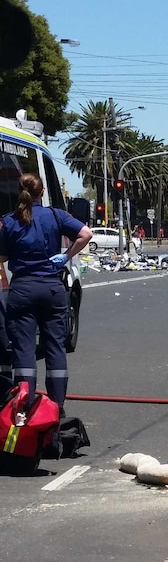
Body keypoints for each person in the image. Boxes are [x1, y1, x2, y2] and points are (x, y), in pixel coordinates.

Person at [0, 173, 92, 415]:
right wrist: (66, 255)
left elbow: (1, 256)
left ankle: (24, 406)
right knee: (55, 349)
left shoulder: (10, 221)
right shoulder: (55, 215)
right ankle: (57, 408)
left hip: (22, 290)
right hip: (52, 289)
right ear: (42, 192)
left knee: (24, 351)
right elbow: (86, 234)